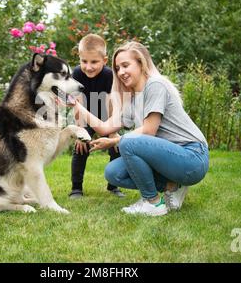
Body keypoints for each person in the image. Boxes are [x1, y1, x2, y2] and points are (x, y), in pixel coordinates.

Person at [69, 41, 209, 216]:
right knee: (114, 173)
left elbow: (148, 130)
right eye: (118, 68)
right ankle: (172, 186)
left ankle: (152, 202)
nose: (121, 72)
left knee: (128, 141)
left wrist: (115, 140)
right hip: (170, 159)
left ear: (141, 64)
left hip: (192, 156)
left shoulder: (155, 85)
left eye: (126, 65)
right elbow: (105, 128)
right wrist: (75, 105)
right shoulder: (133, 100)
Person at [69, 34, 125, 199]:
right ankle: (76, 188)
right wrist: (80, 132)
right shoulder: (77, 73)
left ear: (105, 60)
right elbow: (76, 104)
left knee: (116, 148)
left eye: (94, 62)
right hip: (85, 116)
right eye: (84, 61)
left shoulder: (109, 75)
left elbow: (113, 103)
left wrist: (113, 130)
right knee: (81, 148)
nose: (88, 66)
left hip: (106, 117)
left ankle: (113, 186)